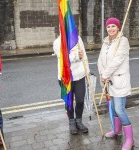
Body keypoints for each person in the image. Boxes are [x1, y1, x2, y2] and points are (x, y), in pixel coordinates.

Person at [97, 17, 133, 150]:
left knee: (119, 108)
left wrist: (106, 74)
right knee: (113, 107)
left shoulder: (123, 41)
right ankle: (117, 130)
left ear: (118, 27)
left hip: (119, 81)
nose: (110, 29)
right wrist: (102, 75)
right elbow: (100, 60)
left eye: (113, 26)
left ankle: (129, 139)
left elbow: (117, 60)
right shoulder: (105, 42)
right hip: (108, 81)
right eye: (108, 27)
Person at [53, 35, 90, 135]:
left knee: (80, 100)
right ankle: (71, 122)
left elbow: (84, 55)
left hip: (80, 76)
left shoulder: (78, 38)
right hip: (65, 78)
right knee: (69, 102)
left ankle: (79, 120)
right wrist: (76, 56)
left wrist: (87, 71)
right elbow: (64, 58)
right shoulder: (57, 42)